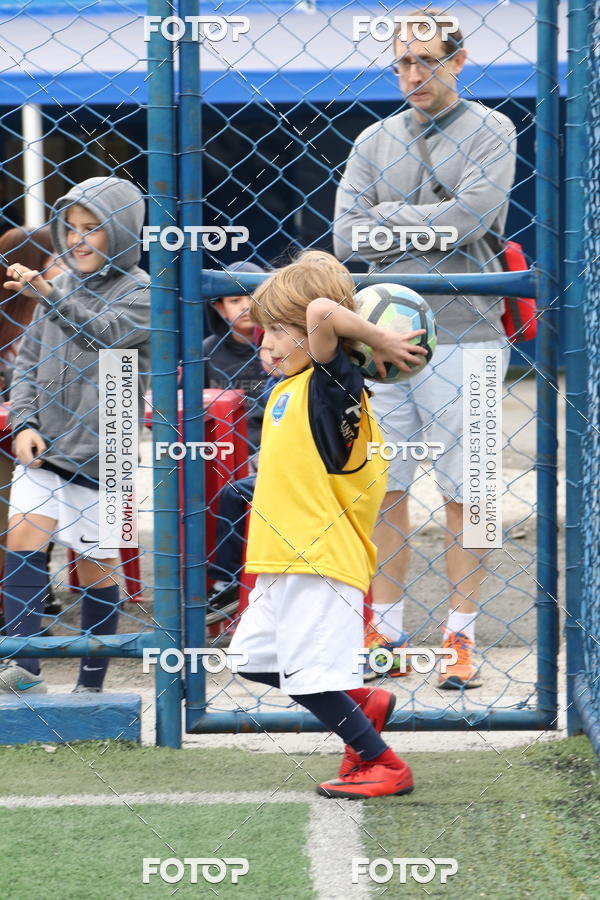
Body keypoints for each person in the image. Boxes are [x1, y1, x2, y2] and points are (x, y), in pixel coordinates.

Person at [333, 9, 516, 688]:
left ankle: (459, 638)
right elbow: (346, 236)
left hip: (468, 336)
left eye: (427, 60)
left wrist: (385, 219)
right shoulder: (373, 139)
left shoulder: (492, 129)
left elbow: (473, 217)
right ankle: (386, 631)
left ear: (458, 61)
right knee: (384, 489)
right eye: (403, 63)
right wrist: (424, 225)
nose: (413, 74)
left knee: (472, 492)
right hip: (380, 341)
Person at [228, 249, 428, 799]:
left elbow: (319, 310)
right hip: (282, 560)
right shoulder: (290, 387)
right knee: (252, 660)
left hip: (319, 562)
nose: (267, 342)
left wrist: (380, 339)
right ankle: (363, 704)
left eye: (280, 331)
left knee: (309, 676)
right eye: (265, 329)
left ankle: (383, 764)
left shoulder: (333, 386)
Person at [0, 176, 150, 694]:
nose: (77, 239)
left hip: (109, 453)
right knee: (22, 536)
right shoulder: (58, 285)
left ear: (123, 231)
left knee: (96, 566)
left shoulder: (144, 293)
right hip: (46, 446)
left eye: (93, 228)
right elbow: (27, 363)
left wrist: (48, 292)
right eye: (70, 228)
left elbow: (101, 333)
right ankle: (23, 668)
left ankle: (92, 683)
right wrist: (24, 423)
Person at [0, 227, 64, 618]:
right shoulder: (12, 325)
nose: (65, 265)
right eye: (56, 258)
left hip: (55, 435)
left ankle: (32, 592)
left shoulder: (61, 312)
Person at [204, 260, 268, 464]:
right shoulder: (207, 351)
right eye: (235, 300)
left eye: (252, 297)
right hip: (223, 450)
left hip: (273, 448)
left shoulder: (281, 346)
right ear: (220, 308)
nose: (245, 306)